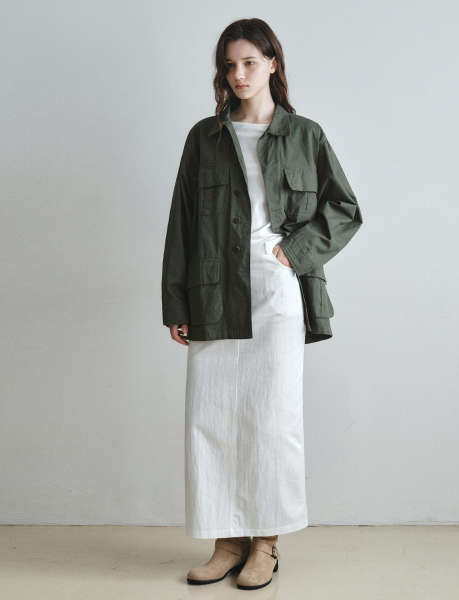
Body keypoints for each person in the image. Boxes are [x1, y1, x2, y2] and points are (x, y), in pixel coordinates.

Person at [161, 18, 363, 591]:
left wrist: (291, 252)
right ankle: (227, 541)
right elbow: (181, 220)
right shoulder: (204, 137)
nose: (239, 74)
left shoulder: (305, 135)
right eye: (229, 65)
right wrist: (175, 300)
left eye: (250, 62)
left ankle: (265, 543)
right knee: (212, 417)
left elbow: (345, 208)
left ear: (273, 63)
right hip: (212, 288)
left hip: (276, 290)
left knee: (271, 418)